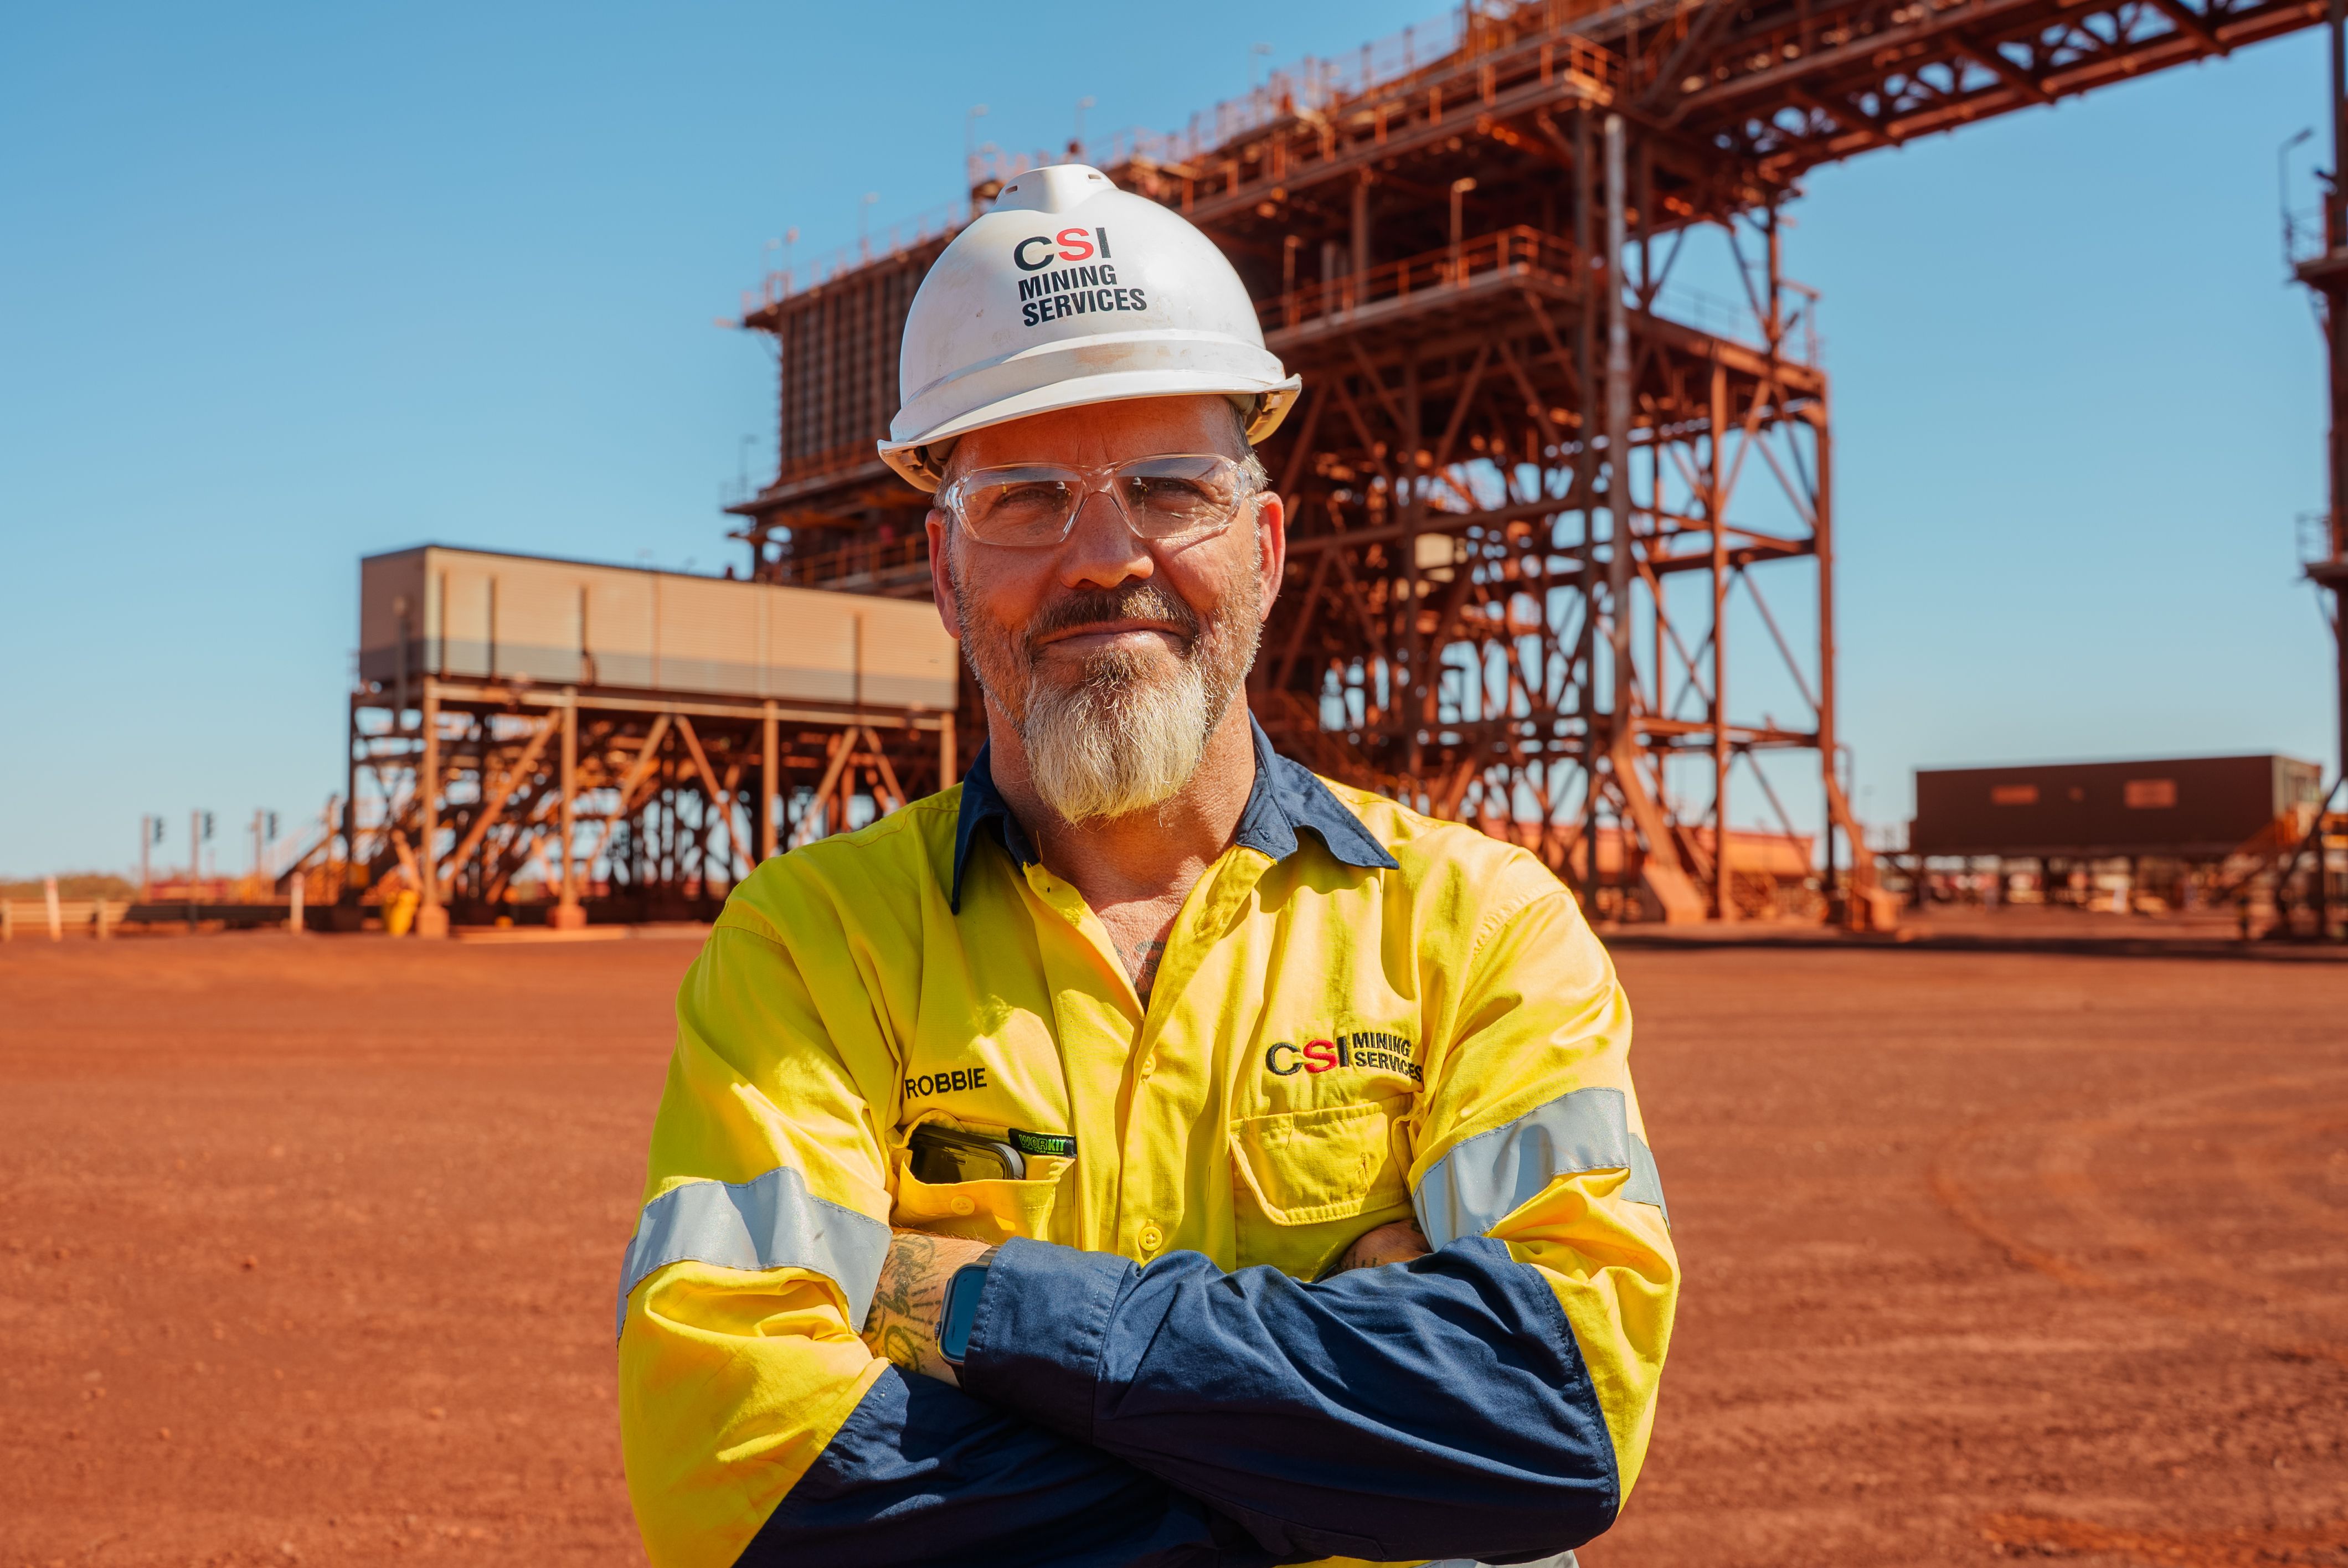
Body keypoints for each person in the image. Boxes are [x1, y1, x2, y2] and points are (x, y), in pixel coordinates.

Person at [616, 164, 1678, 1568]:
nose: (1104, 557)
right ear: (942, 572)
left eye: (1171, 490)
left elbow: (1554, 1419)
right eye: (1025, 501)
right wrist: (1328, 1454)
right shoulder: (813, 946)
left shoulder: (1477, 926)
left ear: (1265, 543)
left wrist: (978, 1312)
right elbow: (742, 1482)